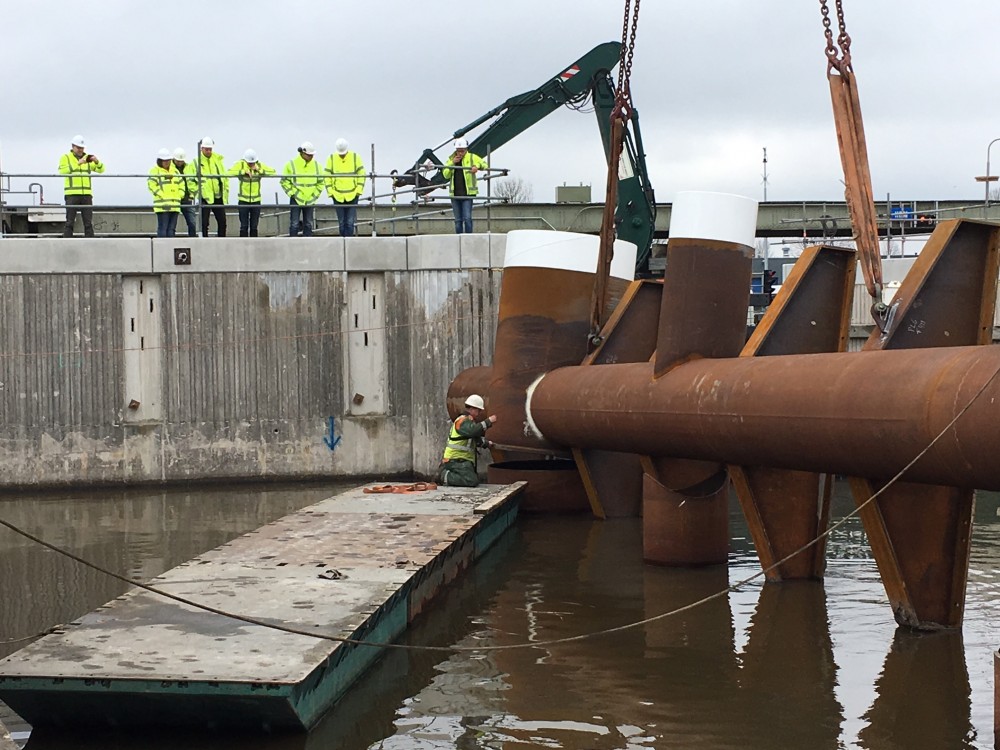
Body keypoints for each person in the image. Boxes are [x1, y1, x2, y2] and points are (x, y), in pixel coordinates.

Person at [438, 394, 498, 487]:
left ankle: (447, 475)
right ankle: (444, 476)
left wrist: (487, 444)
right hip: (454, 460)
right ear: (472, 408)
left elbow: (475, 439)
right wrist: (488, 421)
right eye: (478, 410)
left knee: (472, 478)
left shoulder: (469, 422)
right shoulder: (462, 421)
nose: (479, 413)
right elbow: (472, 431)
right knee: (471, 481)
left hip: (461, 460)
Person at [58, 135, 105, 237]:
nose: (81, 150)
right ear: (73, 146)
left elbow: (101, 170)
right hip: (72, 194)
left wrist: (97, 162)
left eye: (82, 148)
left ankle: (90, 242)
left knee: (88, 222)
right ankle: (67, 241)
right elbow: (62, 171)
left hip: (86, 194)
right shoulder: (66, 157)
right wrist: (78, 164)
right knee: (70, 222)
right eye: (78, 147)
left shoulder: (87, 158)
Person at [440, 137, 487, 234]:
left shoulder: (472, 157)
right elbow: (446, 175)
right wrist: (452, 163)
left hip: (468, 194)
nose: (460, 153)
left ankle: (468, 238)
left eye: (462, 151)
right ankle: (459, 238)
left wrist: (477, 167)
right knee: (458, 220)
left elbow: (485, 164)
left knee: (467, 218)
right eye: (459, 151)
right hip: (455, 194)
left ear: (466, 149)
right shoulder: (451, 159)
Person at [281, 141, 324, 237]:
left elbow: (321, 182)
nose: (311, 157)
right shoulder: (291, 164)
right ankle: (293, 243)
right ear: (302, 153)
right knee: (294, 224)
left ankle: (307, 243)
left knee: (308, 224)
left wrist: (314, 196)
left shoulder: (317, 166)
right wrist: (292, 193)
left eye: (312, 155)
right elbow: (284, 181)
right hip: (296, 198)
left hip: (310, 199)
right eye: (309, 155)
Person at [229, 149, 276, 237]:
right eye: (249, 163)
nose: (251, 164)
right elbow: (229, 172)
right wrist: (243, 172)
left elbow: (273, 172)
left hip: (256, 201)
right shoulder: (240, 164)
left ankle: (254, 243)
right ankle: (243, 244)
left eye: (252, 163)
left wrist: (259, 170)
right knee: (244, 226)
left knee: (254, 226)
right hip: (243, 201)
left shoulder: (259, 165)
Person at [325, 138, 366, 237]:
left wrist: (358, 190)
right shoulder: (331, 158)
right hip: (337, 195)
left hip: (352, 194)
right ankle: (342, 241)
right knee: (342, 222)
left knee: (350, 222)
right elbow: (327, 176)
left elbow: (362, 174)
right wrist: (331, 192)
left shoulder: (355, 157)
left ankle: (348, 242)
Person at [148, 148, 183, 238]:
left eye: (168, 160)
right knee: (163, 229)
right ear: (160, 161)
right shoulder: (155, 171)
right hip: (162, 205)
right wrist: (162, 195)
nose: (167, 162)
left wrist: (180, 194)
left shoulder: (175, 171)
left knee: (171, 230)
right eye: (164, 160)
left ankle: (170, 246)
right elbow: (151, 185)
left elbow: (181, 184)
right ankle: (161, 246)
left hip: (175, 204)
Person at [197, 136, 228, 237]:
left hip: (218, 196)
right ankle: (204, 242)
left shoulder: (217, 160)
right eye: (206, 149)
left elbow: (224, 176)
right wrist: (197, 191)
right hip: (205, 197)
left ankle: (221, 241)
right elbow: (190, 180)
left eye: (210, 149)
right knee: (204, 223)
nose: (208, 151)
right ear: (202, 149)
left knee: (222, 222)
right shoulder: (197, 162)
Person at [172, 147, 198, 237]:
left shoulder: (188, 168)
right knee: (172, 225)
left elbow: (193, 182)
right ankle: (170, 241)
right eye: (178, 161)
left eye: (181, 161)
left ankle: (193, 240)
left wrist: (192, 194)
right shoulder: (169, 168)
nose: (180, 163)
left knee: (192, 223)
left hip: (187, 199)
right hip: (174, 199)